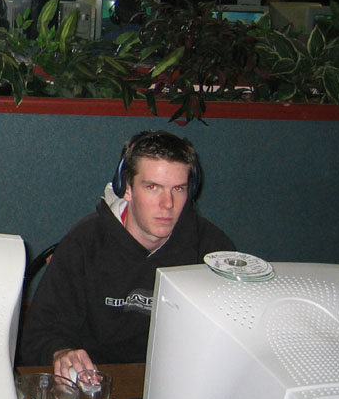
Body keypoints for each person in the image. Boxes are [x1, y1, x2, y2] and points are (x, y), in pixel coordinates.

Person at [19, 130, 235, 376]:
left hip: (178, 379)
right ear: (127, 188)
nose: (167, 204)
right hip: (95, 380)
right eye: (152, 187)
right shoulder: (84, 243)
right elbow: (39, 335)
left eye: (178, 189)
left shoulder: (211, 251)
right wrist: (60, 353)